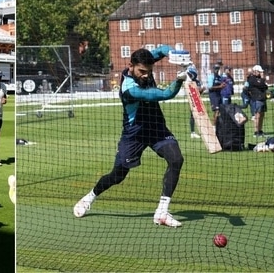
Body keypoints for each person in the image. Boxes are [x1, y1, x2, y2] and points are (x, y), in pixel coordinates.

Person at [73, 47, 188, 227]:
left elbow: (163, 50)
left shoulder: (144, 67)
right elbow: (166, 94)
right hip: (134, 135)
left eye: (149, 72)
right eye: (142, 71)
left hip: (157, 128)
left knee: (176, 159)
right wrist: (180, 79)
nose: (145, 75)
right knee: (118, 175)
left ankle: (162, 212)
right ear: (131, 66)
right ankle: (89, 197)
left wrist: (176, 54)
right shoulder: (129, 89)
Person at [248, 64, 269, 137]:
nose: (261, 73)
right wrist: (263, 79)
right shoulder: (252, 79)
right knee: (257, 115)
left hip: (262, 98)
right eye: (259, 72)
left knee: (262, 115)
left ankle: (260, 130)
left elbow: (265, 86)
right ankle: (256, 131)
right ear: (255, 71)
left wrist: (262, 81)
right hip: (257, 99)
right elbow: (260, 85)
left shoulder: (260, 79)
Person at [187, 65, 205, 139]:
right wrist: (200, 90)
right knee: (193, 116)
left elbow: (199, 92)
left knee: (200, 115)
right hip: (192, 100)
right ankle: (192, 132)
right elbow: (192, 92)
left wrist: (201, 90)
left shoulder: (197, 81)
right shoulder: (189, 82)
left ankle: (201, 131)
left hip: (198, 99)